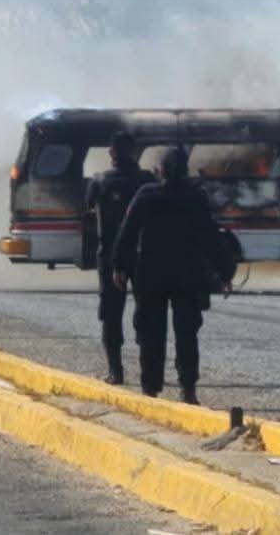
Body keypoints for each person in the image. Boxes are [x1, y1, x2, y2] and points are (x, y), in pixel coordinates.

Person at [111, 146, 236, 404]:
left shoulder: (146, 195)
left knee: (151, 333)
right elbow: (211, 238)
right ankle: (187, 389)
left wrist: (119, 266)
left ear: (162, 171)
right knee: (187, 335)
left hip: (151, 276)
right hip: (187, 276)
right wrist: (224, 272)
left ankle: (150, 388)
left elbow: (127, 232)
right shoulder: (196, 198)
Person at [85, 131, 155, 385]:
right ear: (134, 152)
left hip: (111, 257)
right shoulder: (148, 181)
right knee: (146, 312)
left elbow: (88, 210)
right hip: (141, 255)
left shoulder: (100, 181)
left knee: (111, 314)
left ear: (112, 153)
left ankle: (116, 371)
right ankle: (148, 369)